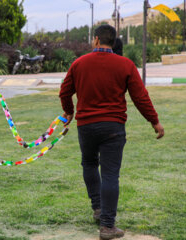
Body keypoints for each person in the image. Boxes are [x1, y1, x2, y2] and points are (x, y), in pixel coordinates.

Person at [59, 25, 164, 240]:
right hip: (113, 127)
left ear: (96, 40)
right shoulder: (125, 65)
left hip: (86, 126)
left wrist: (69, 113)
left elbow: (64, 92)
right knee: (110, 174)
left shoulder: (79, 64)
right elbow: (140, 97)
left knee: (89, 163)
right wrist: (154, 122)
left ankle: (98, 208)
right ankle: (107, 226)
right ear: (113, 42)